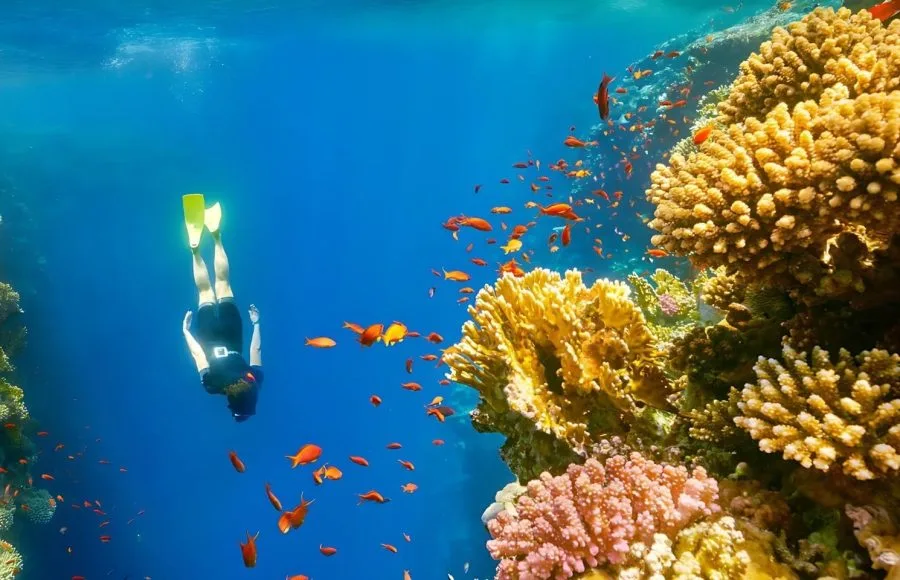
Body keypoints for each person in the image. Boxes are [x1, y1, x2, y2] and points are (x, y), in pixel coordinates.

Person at [181, 194, 263, 422]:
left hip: (233, 334)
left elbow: (255, 350)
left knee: (223, 283)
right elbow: (198, 354)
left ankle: (216, 237)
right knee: (205, 291)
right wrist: (186, 332)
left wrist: (256, 323)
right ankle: (195, 250)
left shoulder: (255, 379)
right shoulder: (213, 386)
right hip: (208, 336)